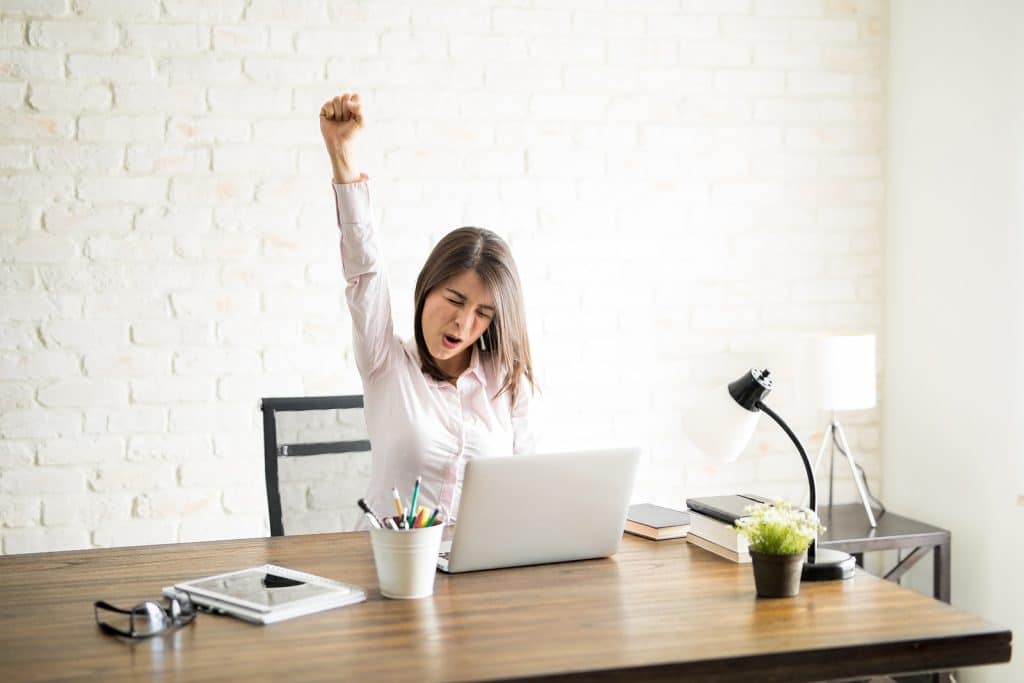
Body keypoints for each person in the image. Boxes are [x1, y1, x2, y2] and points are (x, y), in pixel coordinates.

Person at [319, 92, 537, 527]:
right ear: (427, 289)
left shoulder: (506, 382)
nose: (463, 321)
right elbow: (365, 273)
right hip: (388, 568)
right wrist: (341, 155)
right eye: (454, 300)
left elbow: (526, 491)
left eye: (483, 313)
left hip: (478, 577)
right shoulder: (387, 363)